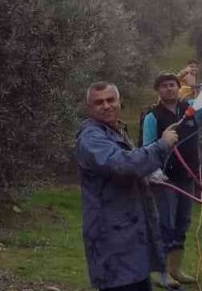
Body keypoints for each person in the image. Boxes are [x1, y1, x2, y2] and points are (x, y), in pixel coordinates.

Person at [76, 81, 180, 291]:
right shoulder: (91, 138)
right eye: (99, 102)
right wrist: (161, 146)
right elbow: (122, 165)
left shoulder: (114, 131)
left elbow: (127, 165)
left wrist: (147, 177)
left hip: (129, 240)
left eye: (110, 100)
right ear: (90, 108)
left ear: (119, 101)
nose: (106, 105)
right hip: (113, 242)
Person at [141, 73, 202, 288]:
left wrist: (201, 88)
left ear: (179, 88)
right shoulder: (152, 117)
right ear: (158, 90)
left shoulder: (190, 109)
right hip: (165, 180)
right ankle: (159, 272)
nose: (169, 89)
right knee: (164, 225)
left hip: (187, 177)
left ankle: (176, 269)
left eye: (172, 85)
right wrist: (153, 170)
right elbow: (147, 146)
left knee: (182, 223)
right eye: (164, 86)